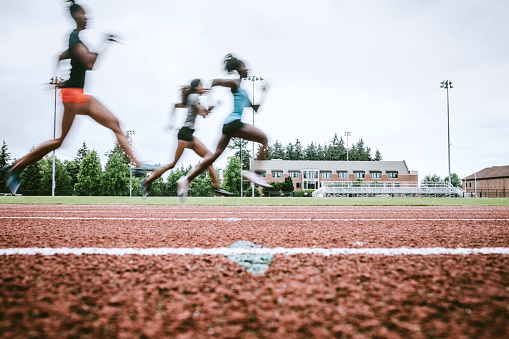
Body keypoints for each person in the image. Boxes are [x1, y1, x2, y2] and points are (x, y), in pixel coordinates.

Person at [2, 0, 154, 195]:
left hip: (75, 95)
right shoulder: (74, 39)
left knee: (99, 128)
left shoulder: (76, 42)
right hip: (74, 97)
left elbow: (59, 56)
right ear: (76, 16)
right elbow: (90, 63)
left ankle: (14, 168)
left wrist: (59, 78)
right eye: (84, 14)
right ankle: (138, 163)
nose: (87, 18)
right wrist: (104, 43)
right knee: (95, 130)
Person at [177, 54, 272, 199]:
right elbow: (214, 81)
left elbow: (256, 109)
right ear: (239, 68)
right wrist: (211, 100)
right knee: (264, 140)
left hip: (228, 126)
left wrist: (263, 93)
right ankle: (252, 173)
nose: (247, 70)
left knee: (213, 157)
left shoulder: (243, 91)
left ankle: (186, 180)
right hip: (234, 124)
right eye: (245, 67)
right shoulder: (235, 84)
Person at [140, 79, 232, 198]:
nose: (202, 87)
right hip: (184, 135)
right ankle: (147, 181)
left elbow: (202, 113)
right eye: (201, 85)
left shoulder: (193, 97)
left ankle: (217, 188)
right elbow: (203, 112)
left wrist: (210, 108)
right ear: (196, 87)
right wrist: (212, 107)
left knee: (208, 158)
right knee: (173, 164)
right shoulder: (194, 97)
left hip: (189, 134)